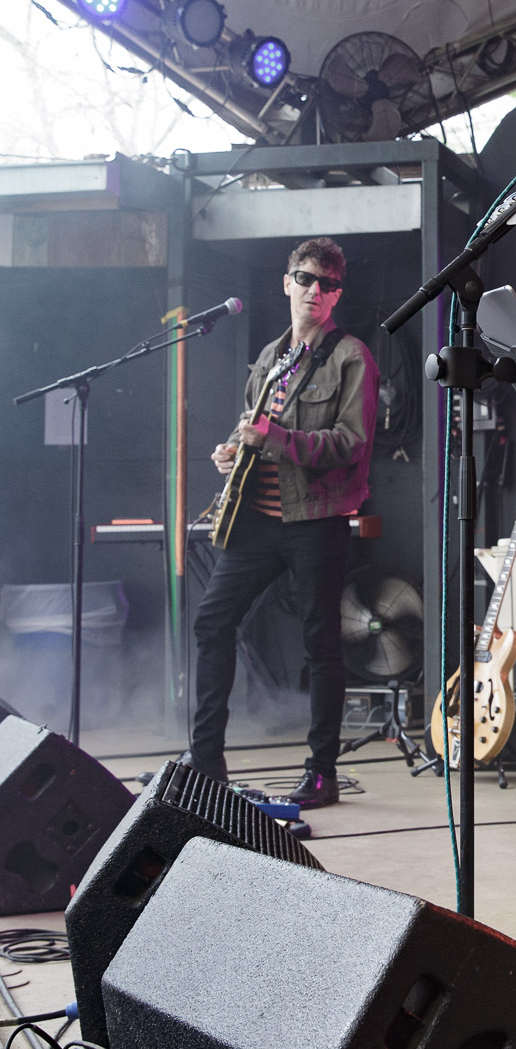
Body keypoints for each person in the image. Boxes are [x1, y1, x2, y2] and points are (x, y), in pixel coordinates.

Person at [187, 237, 379, 808]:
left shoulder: (351, 357)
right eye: (305, 278)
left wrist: (275, 439)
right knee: (211, 622)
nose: (314, 290)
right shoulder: (271, 357)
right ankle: (206, 763)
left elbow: (351, 443)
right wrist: (231, 450)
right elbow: (252, 425)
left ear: (337, 294)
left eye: (327, 283)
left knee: (321, 643)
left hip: (316, 518)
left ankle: (322, 773)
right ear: (287, 283)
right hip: (256, 519)